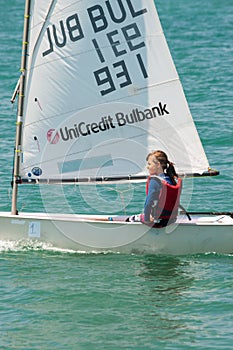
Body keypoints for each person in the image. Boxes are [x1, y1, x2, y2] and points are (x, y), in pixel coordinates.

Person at [142, 150, 182, 227]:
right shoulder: (171, 178)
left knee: (133, 218)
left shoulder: (155, 181)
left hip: (158, 220)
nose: (147, 167)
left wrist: (147, 219)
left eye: (149, 164)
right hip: (171, 219)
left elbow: (148, 203)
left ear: (158, 165)